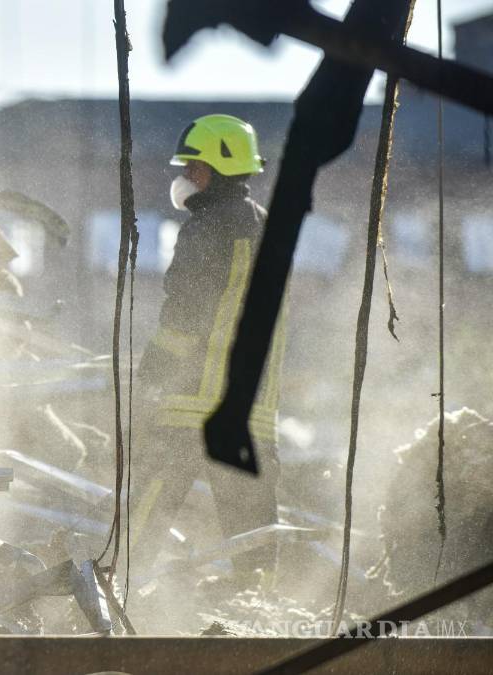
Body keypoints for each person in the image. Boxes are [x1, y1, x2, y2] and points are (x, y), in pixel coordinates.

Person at [132, 114, 286, 582]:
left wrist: (155, 369)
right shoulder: (270, 229)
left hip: (194, 400)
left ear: (217, 169)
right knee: (253, 525)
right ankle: (260, 613)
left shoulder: (206, 227)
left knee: (150, 505)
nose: (185, 178)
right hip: (253, 409)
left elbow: (185, 306)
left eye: (193, 168)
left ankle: (120, 588)